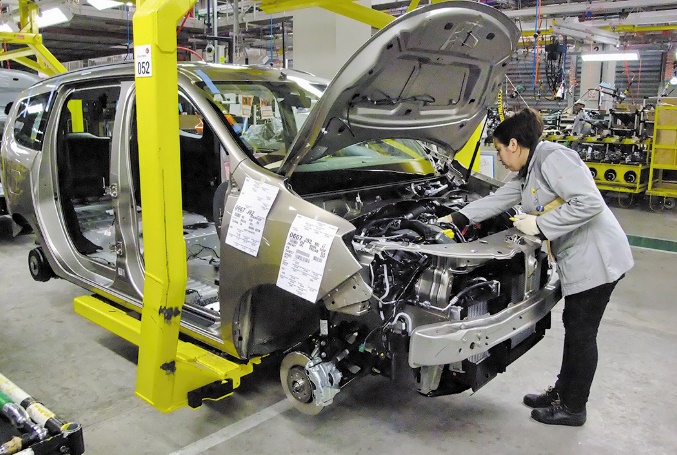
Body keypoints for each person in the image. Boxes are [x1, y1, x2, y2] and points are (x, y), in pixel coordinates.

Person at [438, 108, 633, 426]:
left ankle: (573, 407)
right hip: (583, 259)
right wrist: (456, 218)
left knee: (582, 334)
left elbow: (589, 202)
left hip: (599, 258)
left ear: (513, 144)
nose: (499, 156)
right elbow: (500, 198)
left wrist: (541, 225)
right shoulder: (529, 170)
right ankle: (563, 394)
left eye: (500, 149)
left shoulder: (554, 158)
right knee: (575, 327)